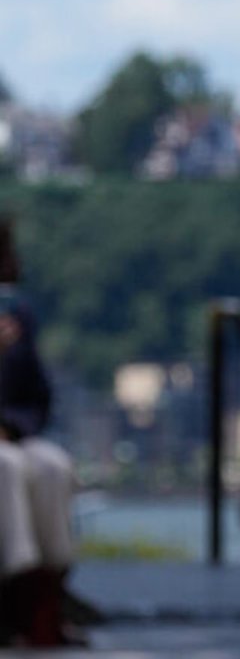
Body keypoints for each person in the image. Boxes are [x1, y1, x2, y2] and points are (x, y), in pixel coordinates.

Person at [0, 218, 76, 649]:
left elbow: (38, 396)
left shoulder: (17, 315)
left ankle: (50, 589)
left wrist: (11, 426)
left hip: (9, 432)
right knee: (8, 468)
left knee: (52, 465)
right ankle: (21, 594)